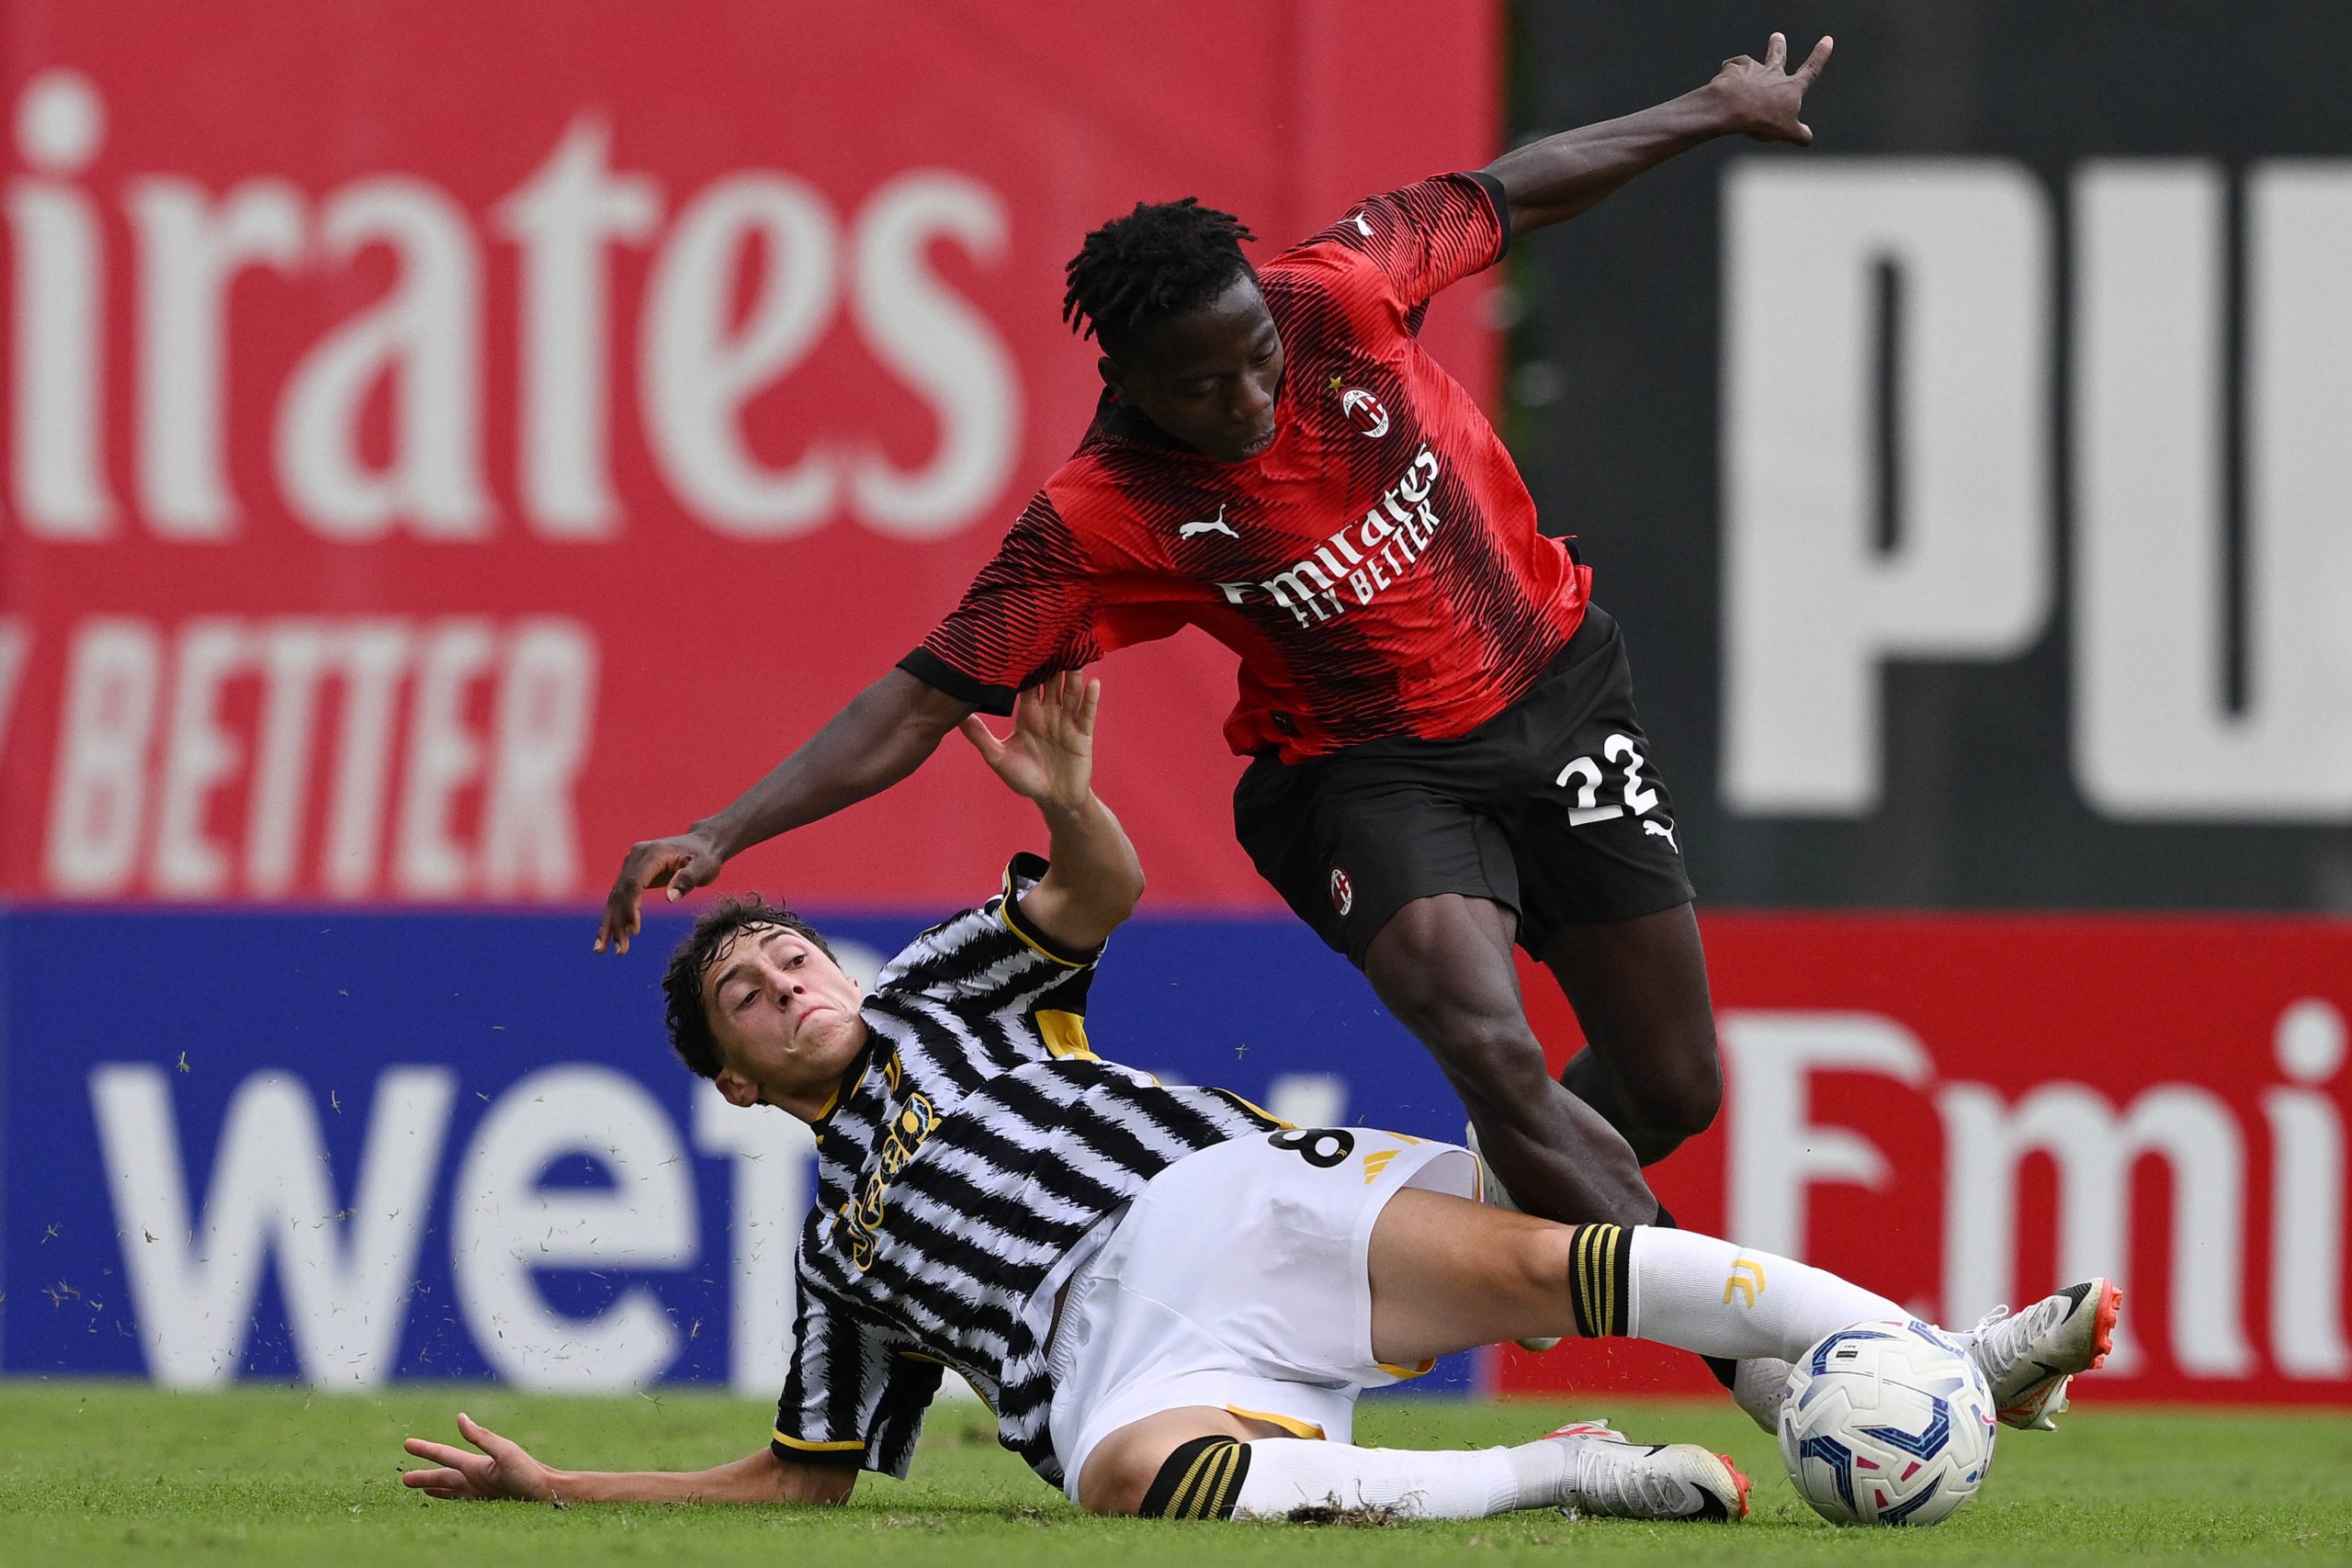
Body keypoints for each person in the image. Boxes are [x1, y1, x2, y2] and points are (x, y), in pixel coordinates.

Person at [593, 35, 1836, 1275]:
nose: (1248, 397)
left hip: (1556, 691)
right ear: (1124, 379)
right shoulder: (1102, 510)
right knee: (1491, 1046)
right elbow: (916, 703)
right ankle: (1780, 1347)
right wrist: (727, 830)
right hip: (1370, 777)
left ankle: (1521, 1189)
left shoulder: (1340, 291)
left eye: (1256, 357)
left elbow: (1517, 190)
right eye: (1202, 385)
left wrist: (1714, 107)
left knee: (1672, 1088)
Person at [409, 677, 2121, 1521]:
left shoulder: (942, 985)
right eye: (745, 996)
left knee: (1551, 1246)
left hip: (1230, 1203)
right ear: (731, 1081)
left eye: (789, 956)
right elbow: (805, 1482)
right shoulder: (838, 1257)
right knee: (1125, 1479)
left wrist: (1071, 799)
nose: (785, 980)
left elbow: (1097, 895)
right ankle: (1559, 1474)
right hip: (1127, 1369)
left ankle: (1939, 1364)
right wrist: (560, 1493)